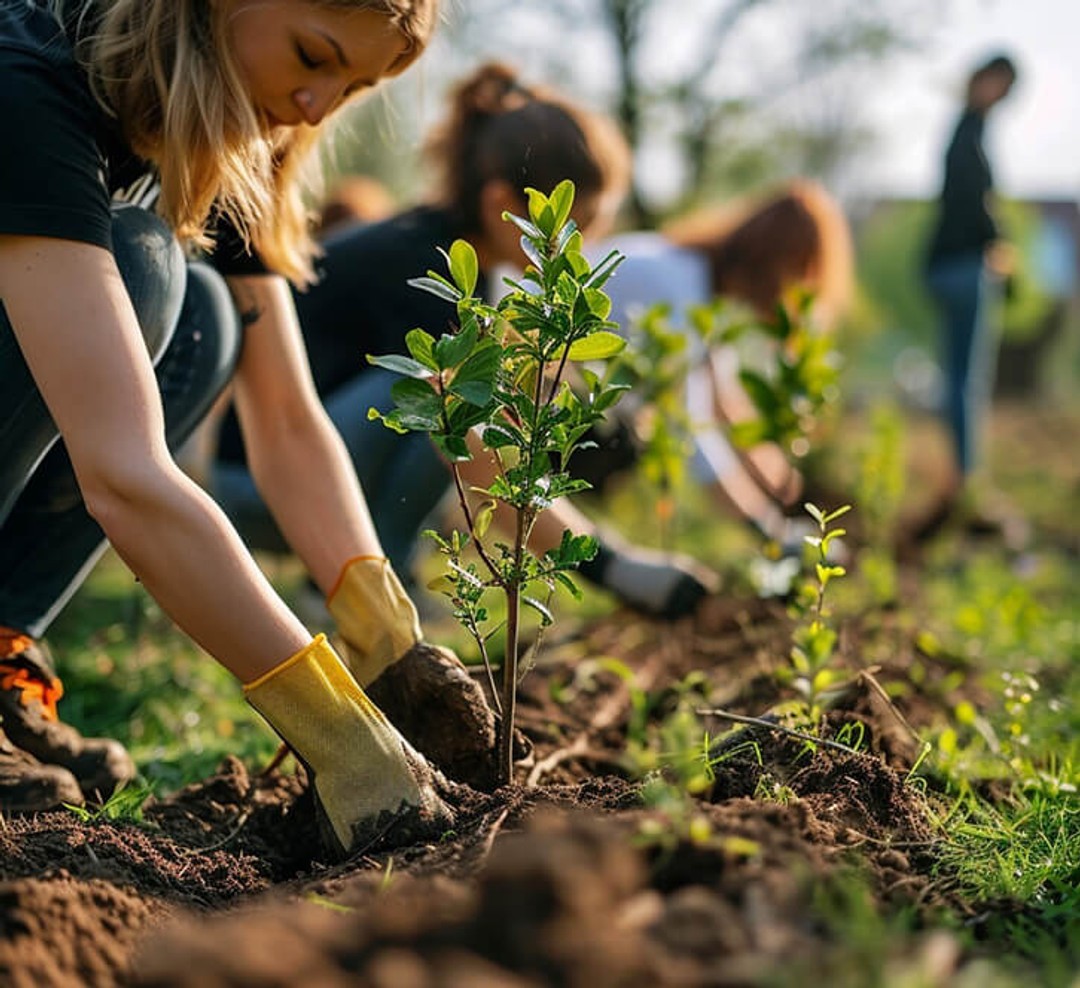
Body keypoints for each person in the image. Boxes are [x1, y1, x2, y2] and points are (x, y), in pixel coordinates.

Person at [0, 0, 499, 856]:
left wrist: (384, 635)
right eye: (313, 56)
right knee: (150, 273)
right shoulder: (27, 85)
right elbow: (124, 476)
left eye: (351, 88)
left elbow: (288, 418)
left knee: (204, 319)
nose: (317, 105)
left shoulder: (218, 115)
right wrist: (341, 737)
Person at [210, 60, 720, 622]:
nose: (580, 248)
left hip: (292, 478)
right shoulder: (422, 262)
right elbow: (474, 443)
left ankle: (367, 579)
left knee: (459, 392)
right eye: (574, 225)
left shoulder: (455, 258)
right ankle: (342, 585)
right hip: (250, 487)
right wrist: (611, 566)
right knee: (442, 394)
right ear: (503, 202)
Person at [585, 179, 855, 553]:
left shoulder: (697, 282)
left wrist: (779, 477)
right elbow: (690, 425)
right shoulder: (679, 293)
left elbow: (722, 400)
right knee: (625, 436)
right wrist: (768, 530)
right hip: (527, 376)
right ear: (775, 266)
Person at [919, 52, 1020, 542]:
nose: (995, 93)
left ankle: (962, 477)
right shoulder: (969, 132)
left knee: (958, 378)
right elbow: (972, 201)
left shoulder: (965, 129)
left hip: (947, 265)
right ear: (980, 79)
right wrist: (997, 241)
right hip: (963, 267)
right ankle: (967, 480)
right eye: (994, 82)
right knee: (966, 380)